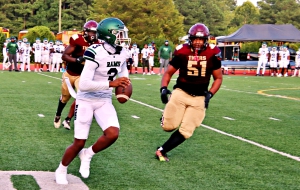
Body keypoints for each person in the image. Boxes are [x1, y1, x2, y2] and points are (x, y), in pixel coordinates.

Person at [55, 17, 131, 185]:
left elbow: (124, 76)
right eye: (119, 33)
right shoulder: (95, 51)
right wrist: (111, 84)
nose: (123, 36)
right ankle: (61, 169)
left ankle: (87, 154)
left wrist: (125, 87)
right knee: (79, 142)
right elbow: (84, 84)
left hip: (104, 99)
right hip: (86, 99)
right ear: (108, 35)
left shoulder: (123, 52)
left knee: (113, 134)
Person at [155, 23, 223, 162]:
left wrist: (210, 94)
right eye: (195, 39)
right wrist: (163, 88)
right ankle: (166, 117)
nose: (198, 42)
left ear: (206, 39)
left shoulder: (212, 53)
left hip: (199, 97)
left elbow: (218, 78)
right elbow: (168, 73)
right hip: (181, 92)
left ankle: (162, 151)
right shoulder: (182, 51)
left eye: (201, 39)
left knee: (186, 131)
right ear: (190, 39)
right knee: (169, 126)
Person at [53, 20, 99, 130]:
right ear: (85, 32)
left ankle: (68, 119)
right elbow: (64, 56)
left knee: (82, 96)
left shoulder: (97, 43)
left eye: (95, 32)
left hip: (83, 75)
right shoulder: (77, 39)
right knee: (64, 98)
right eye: (92, 32)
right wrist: (77, 60)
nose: (94, 35)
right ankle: (58, 115)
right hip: (70, 73)